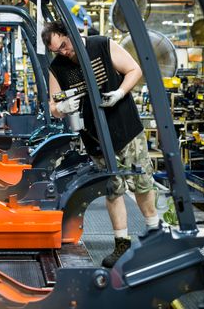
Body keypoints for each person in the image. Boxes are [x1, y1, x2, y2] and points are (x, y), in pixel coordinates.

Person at [42, 21, 158, 268]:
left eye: (64, 45)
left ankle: (155, 235)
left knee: (142, 182)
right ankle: (121, 244)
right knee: (113, 189)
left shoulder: (102, 45)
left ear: (70, 34)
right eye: (57, 50)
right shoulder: (57, 68)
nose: (63, 52)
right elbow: (52, 105)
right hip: (95, 138)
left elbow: (134, 70)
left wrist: (119, 92)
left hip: (126, 129)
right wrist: (61, 108)